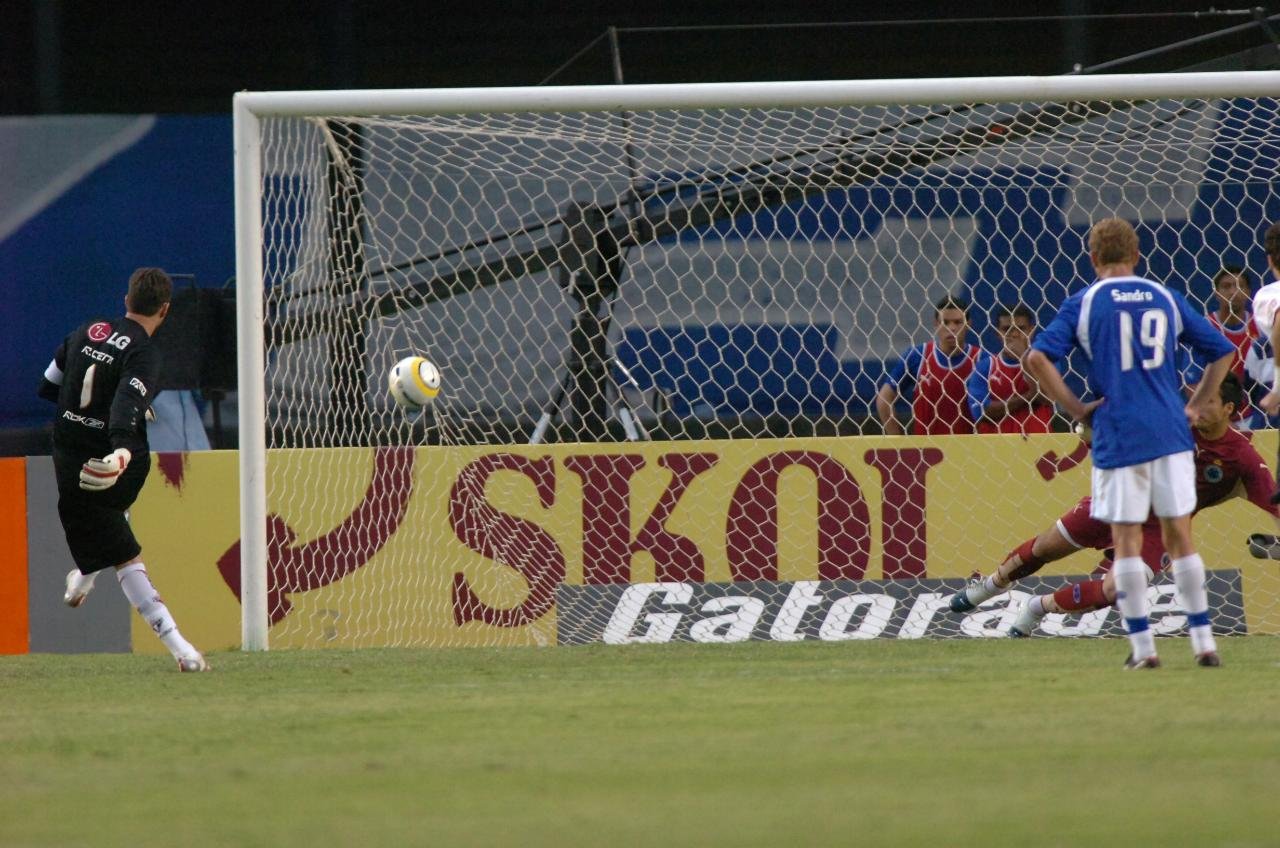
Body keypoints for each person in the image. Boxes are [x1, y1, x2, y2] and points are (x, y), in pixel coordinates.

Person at [1021, 218, 1234, 669]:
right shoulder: (1165, 297)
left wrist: (1077, 409)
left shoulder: (1084, 302)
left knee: (1127, 540)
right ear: (1137, 256)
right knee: (1180, 536)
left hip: (1119, 434)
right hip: (1172, 433)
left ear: (1093, 258)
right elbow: (1221, 351)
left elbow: (1037, 357)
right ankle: (1204, 643)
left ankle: (1144, 650)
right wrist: (1193, 406)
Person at [948, 373, 1278, 631]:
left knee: (1117, 591)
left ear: (1229, 410)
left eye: (1208, 402)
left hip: (1159, 528)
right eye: (1196, 398)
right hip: (1120, 498)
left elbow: (1274, 504)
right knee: (1045, 549)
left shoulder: (1243, 459)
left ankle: (1035, 608)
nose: (1196, 406)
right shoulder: (1173, 421)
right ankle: (990, 586)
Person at [38, 267, 208, 672]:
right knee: (127, 555)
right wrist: (118, 451)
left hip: (68, 453)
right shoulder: (145, 354)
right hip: (108, 460)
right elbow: (123, 407)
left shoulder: (87, 330)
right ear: (164, 310)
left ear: (126, 299)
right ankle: (181, 650)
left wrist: (85, 418)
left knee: (112, 527)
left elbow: (49, 384)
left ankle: (84, 572)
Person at [875, 295, 980, 435]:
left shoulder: (982, 360)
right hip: (928, 451)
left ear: (969, 324)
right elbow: (884, 399)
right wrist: (897, 444)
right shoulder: (918, 356)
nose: (952, 328)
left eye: (957, 322)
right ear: (936, 324)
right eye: (946, 322)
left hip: (971, 450)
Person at [966, 303, 1053, 435]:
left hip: (1038, 447)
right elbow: (981, 412)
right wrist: (1029, 396)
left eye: (1021, 328)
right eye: (1007, 329)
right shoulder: (985, 367)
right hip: (997, 449)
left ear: (1032, 330)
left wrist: (1023, 358)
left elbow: (1045, 397)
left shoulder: (1045, 361)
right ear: (997, 333)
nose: (1014, 334)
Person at [1205, 265, 1257, 426]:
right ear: (1216, 292)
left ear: (1248, 292)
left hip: (1257, 415)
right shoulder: (1205, 327)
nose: (1234, 292)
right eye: (1227, 286)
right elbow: (1191, 382)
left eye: (1240, 286)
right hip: (1217, 419)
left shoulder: (1260, 325)